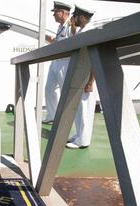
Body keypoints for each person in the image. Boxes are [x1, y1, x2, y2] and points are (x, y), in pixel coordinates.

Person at [66, 4, 96, 149]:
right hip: (80, 76)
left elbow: (94, 59)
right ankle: (78, 135)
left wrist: (91, 81)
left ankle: (83, 141)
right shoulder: (82, 31)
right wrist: (72, 30)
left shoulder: (90, 32)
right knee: (79, 109)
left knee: (85, 110)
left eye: (75, 16)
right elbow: (74, 46)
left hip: (86, 78)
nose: (73, 19)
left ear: (82, 17)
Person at [43, 1, 74, 124]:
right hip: (56, 62)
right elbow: (59, 41)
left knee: (65, 91)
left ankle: (66, 119)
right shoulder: (60, 26)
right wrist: (50, 39)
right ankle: (52, 116)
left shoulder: (71, 25)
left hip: (65, 62)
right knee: (49, 89)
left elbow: (71, 44)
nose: (53, 15)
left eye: (55, 12)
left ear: (61, 13)